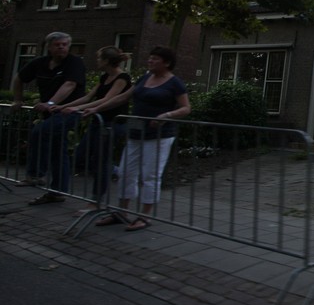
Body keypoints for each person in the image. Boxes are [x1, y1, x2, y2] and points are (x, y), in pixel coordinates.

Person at [84, 46, 190, 231]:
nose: (150, 61)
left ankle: (145, 216)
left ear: (166, 63)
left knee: (150, 175)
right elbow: (123, 98)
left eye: (155, 58)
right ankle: (121, 212)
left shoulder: (175, 83)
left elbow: (186, 108)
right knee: (126, 172)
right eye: (150, 57)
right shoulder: (144, 79)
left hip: (159, 136)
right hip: (136, 133)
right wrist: (96, 109)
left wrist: (167, 115)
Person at [11, 32, 86, 205]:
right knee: (59, 151)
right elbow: (19, 78)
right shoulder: (40, 63)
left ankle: (36, 174)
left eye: (65, 45)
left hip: (68, 111)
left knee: (40, 131)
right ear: (49, 47)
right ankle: (57, 192)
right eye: (57, 44)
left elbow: (70, 84)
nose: (61, 47)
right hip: (50, 113)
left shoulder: (74, 62)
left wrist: (51, 103)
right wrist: (17, 99)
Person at [59, 46, 132, 213]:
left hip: (111, 124)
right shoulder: (104, 76)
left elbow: (108, 99)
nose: (97, 60)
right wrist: (63, 106)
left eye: (99, 58)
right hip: (97, 122)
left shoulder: (122, 78)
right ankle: (114, 170)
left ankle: (96, 201)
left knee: (100, 162)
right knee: (81, 156)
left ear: (106, 60)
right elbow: (88, 97)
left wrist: (79, 109)